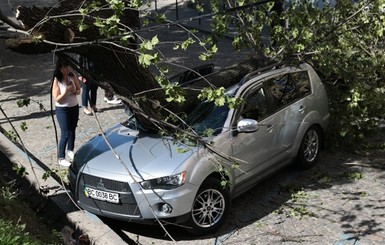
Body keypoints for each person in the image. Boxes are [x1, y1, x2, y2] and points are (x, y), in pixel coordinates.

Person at [52, 58, 81, 167]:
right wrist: (66, 91)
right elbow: (57, 98)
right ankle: (61, 157)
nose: (67, 69)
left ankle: (70, 150)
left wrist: (74, 90)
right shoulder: (57, 80)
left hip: (74, 106)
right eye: (65, 67)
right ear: (60, 68)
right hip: (62, 109)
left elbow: (78, 90)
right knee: (65, 133)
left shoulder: (72, 76)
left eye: (68, 66)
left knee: (72, 130)